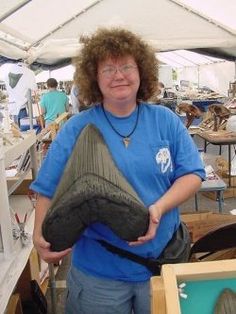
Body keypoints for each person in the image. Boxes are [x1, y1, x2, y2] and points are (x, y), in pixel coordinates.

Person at [31, 28, 205, 314]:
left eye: (126, 66)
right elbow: (46, 188)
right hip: (99, 274)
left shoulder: (165, 120)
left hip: (162, 266)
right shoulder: (77, 127)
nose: (119, 75)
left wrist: (159, 207)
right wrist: (40, 235)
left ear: (142, 72)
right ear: (94, 78)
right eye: (108, 68)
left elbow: (192, 173)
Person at [4, 61, 37, 126]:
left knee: (15, 129)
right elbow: (34, 88)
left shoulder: (7, 75)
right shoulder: (29, 73)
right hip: (21, 107)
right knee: (23, 129)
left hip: (12, 106)